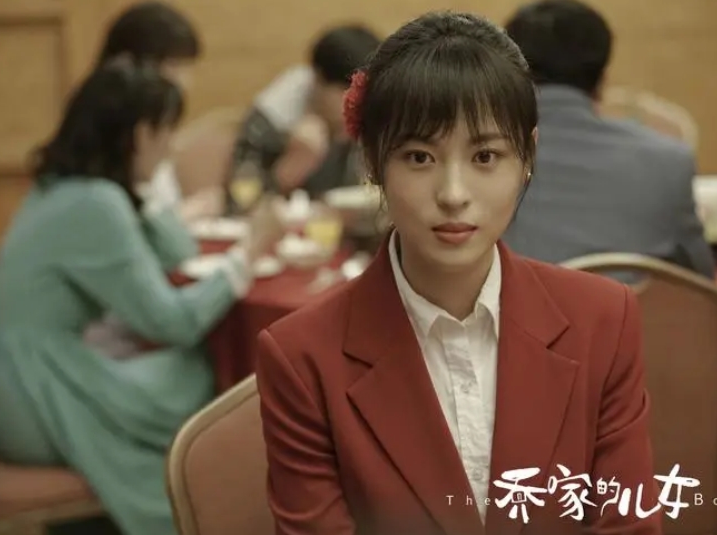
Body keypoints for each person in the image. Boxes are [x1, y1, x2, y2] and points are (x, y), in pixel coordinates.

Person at [254, 11, 661, 535]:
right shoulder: (302, 356)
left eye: (485, 156)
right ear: (373, 161)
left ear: (528, 156)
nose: (453, 194)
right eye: (419, 157)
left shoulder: (603, 320)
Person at [0, 61, 282, 535]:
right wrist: (248, 253)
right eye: (166, 131)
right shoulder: (95, 202)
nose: (172, 146)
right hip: (34, 390)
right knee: (198, 369)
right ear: (140, 133)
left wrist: (141, 188)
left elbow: (177, 251)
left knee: (188, 369)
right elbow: (174, 323)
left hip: (14, 378)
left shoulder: (64, 187)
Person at [501, 0, 714, 280]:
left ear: (512, 74)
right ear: (602, 79)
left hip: (511, 308)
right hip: (632, 309)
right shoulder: (670, 162)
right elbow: (698, 281)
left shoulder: (477, 157)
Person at [96, 0, 221, 220]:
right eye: (174, 66)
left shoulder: (156, 128)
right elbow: (130, 228)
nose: (184, 84)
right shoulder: (105, 142)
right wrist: (190, 213)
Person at [230, 24, 381, 201]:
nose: (357, 104)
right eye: (347, 90)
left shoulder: (373, 109)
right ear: (317, 81)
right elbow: (239, 202)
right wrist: (288, 170)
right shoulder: (268, 120)